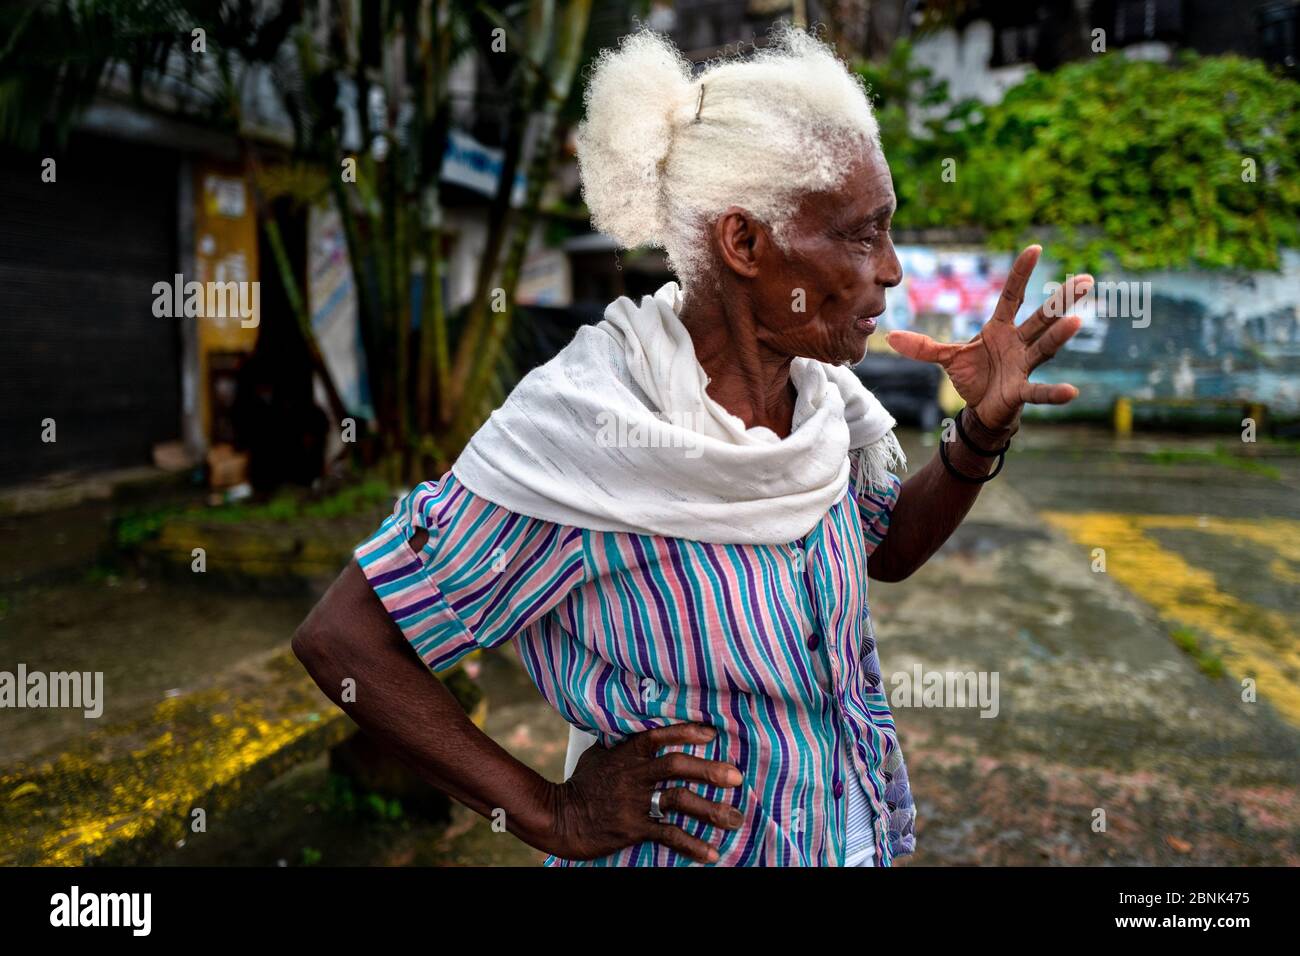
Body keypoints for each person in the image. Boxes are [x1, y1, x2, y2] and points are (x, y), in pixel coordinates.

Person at [292, 25, 1089, 866]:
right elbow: (345, 640)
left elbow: (881, 549)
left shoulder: (819, 401)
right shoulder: (588, 425)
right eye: (862, 235)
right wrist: (550, 813)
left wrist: (980, 431)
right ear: (744, 244)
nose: (890, 269)